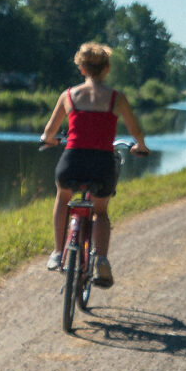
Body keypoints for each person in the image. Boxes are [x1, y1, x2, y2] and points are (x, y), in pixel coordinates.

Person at [39, 41, 151, 288]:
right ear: (107, 69)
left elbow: (49, 131)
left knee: (63, 197)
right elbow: (136, 130)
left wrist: (49, 140)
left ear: (82, 69)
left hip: (72, 160)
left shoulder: (69, 95)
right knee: (100, 212)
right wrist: (140, 146)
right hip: (101, 163)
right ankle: (101, 260)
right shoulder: (116, 98)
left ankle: (58, 252)